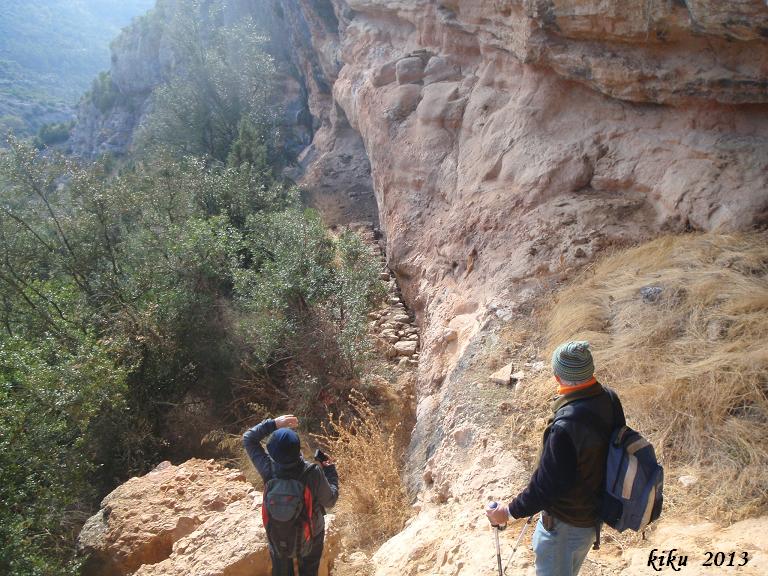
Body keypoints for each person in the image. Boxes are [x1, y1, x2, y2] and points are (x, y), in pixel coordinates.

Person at [486, 341, 625, 576]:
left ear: (560, 377)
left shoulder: (566, 426)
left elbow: (547, 487)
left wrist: (507, 513)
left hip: (564, 526)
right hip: (591, 517)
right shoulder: (609, 399)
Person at [244, 414, 339, 576]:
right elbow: (330, 500)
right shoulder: (312, 472)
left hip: (278, 531)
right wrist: (330, 471)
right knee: (309, 570)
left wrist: (274, 424)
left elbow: (249, 438)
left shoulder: (268, 469)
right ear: (298, 449)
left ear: (272, 452)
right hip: (311, 534)